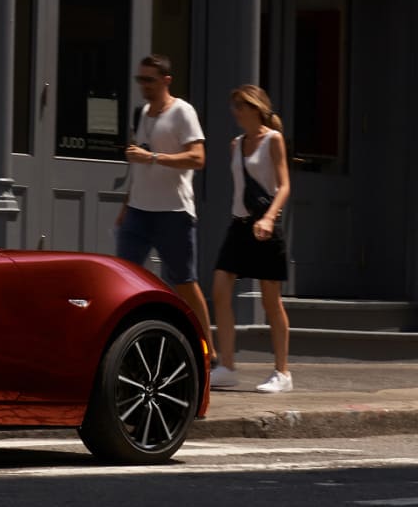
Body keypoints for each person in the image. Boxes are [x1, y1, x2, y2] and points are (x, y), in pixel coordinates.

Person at [115, 54, 217, 368]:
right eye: (140, 80)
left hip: (173, 212)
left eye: (150, 80)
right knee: (122, 277)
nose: (144, 86)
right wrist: (126, 204)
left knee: (184, 281)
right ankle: (123, 347)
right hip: (138, 211)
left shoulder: (183, 112)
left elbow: (198, 158)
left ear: (166, 80)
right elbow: (140, 164)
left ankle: (207, 351)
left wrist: (155, 158)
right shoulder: (142, 113)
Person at [208, 84, 293, 393]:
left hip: (265, 226)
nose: (236, 112)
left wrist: (270, 218)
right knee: (219, 289)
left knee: (271, 301)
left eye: (241, 106)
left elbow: (284, 186)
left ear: (256, 108)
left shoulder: (273, 140)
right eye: (234, 106)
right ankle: (227, 366)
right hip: (239, 226)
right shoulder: (235, 144)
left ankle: (282, 372)